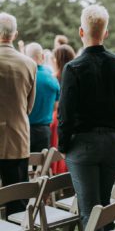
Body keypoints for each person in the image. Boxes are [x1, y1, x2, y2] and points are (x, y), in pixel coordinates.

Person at [58, 5, 115, 231]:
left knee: (89, 212)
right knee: (104, 207)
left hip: (83, 144)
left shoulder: (73, 68)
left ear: (81, 32)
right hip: (112, 143)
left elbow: (65, 113)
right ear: (106, 33)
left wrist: (63, 145)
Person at [0, 12, 36, 216]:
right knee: (16, 199)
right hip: (17, 137)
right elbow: (29, 107)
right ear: (14, 34)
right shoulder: (29, 64)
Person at [25, 42, 60, 152]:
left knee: (22, 167)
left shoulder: (24, 77)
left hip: (24, 130)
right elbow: (55, 107)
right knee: (41, 167)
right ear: (43, 57)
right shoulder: (53, 79)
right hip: (44, 131)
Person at [50, 44, 76, 174]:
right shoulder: (75, 75)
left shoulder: (54, 77)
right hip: (73, 118)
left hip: (56, 119)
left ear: (57, 60)